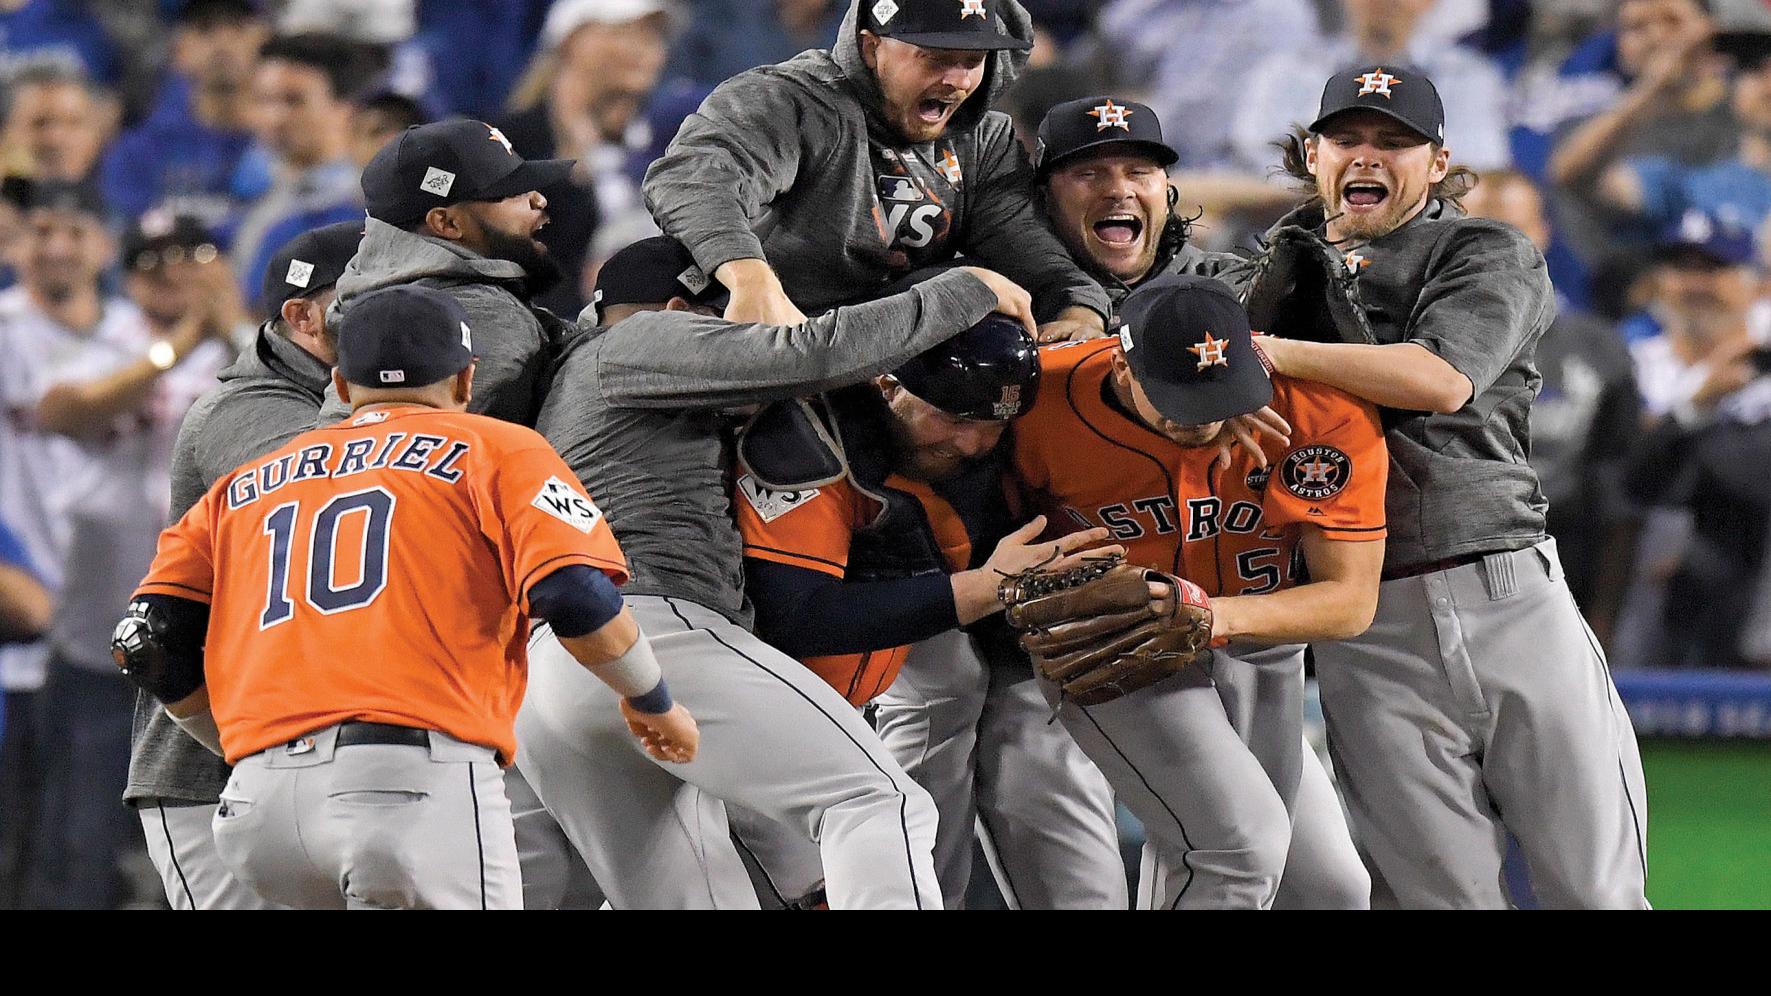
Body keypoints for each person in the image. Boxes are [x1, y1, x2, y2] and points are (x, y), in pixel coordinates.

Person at [117, 284, 699, 910]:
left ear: (339, 387)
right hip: (408, 786)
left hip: (260, 814)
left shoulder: (241, 483)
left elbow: (147, 641)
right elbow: (575, 593)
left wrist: (239, 748)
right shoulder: (497, 447)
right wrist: (652, 699)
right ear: (466, 379)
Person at [1234, 65, 1649, 908]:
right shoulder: (1273, 273)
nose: (1368, 156)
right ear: (1312, 155)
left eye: (1394, 143)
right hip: (1364, 619)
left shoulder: (1483, 248)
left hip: (1506, 593)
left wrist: (1270, 353)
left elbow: (1439, 379)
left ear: (1437, 162)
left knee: (1596, 894)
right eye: (1348, 139)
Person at [518, 235, 1036, 909]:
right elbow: (808, 354)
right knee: (875, 801)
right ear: (683, 308)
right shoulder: (639, 341)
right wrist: (965, 289)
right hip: (648, 625)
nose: (764, 322)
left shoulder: (573, 380)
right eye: (740, 310)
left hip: (551, 671)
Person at [1007, 275, 1381, 909]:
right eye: (1181, 398)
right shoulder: (1039, 399)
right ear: (1122, 365)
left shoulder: (1317, 410)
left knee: (1330, 890)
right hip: (1116, 648)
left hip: (1257, 644)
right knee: (1237, 848)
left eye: (1222, 392)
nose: (1205, 418)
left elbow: (1350, 602)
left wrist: (1210, 614)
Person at [734, 308, 1125, 909]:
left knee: (952, 690)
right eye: (954, 416)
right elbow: (793, 617)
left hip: (906, 652)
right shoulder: (809, 436)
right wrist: (989, 587)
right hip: (740, 701)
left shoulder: (1035, 403)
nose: (973, 441)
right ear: (888, 384)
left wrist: (1218, 408)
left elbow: (1161, 366)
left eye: (993, 422)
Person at [123, 220, 359, 911]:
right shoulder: (244, 406)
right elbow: (333, 492)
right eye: (371, 296)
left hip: (323, 759)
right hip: (209, 767)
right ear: (305, 318)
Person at [642, 0, 1110, 341]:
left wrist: (1078, 308)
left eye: (972, 62)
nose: (957, 80)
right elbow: (689, 177)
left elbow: (1026, 250)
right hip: (770, 338)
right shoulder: (788, 100)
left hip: (898, 367)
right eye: (936, 59)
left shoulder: (983, 138)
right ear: (871, 48)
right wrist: (748, 275)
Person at [1463, 170, 1642, 647]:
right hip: (1432, 577)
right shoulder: (1404, 339)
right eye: (1479, 230)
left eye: (1513, 230)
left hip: (1560, 577)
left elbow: (1619, 495)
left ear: (1543, 233)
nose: (1497, 248)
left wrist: (1603, 619)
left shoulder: (1599, 347)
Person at [330, 118, 578, 429]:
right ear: (447, 224)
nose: (538, 199)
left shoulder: (379, 305)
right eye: (510, 192)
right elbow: (406, 456)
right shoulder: (478, 316)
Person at [1622, 214, 1771, 670]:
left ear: (1755, 286)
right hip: (1638, 572)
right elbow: (1629, 478)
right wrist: (1699, 402)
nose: (1695, 284)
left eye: (1713, 269)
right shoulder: (1631, 364)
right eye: (1681, 269)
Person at [498, 0, 677, 317]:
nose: (642, 47)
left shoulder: (669, 138)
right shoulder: (511, 146)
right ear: (570, 41)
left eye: (652, 35)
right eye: (622, 32)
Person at [1230, 0, 1512, 175]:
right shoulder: (1286, 73)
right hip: (1299, 231)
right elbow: (1257, 165)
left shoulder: (1468, 76)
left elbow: (1475, 169)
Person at [98, 0, 268, 230]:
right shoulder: (138, 153)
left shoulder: (292, 145)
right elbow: (127, 239)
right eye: (204, 28)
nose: (222, 43)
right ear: (178, 49)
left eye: (238, 27)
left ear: (267, 42)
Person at [232, 33, 368, 309]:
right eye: (265, 100)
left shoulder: (366, 205)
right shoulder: (247, 195)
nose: (276, 117)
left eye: (294, 101)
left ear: (344, 109)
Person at [0, 63, 115, 183]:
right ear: (6, 132)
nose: (55, 139)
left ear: (98, 134)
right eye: (40, 123)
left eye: (73, 123)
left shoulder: (124, 195)